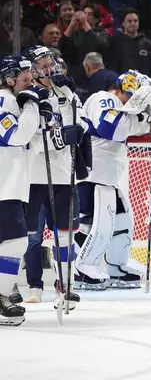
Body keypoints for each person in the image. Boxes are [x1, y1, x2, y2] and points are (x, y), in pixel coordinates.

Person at [74, 70, 151, 290]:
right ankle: (83, 268)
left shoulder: (119, 105)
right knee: (98, 225)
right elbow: (110, 128)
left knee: (122, 222)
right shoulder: (103, 98)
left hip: (109, 176)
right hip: (93, 176)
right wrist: (142, 121)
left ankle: (117, 267)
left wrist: (141, 120)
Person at [23, 45, 89, 312]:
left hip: (63, 175)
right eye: (42, 64)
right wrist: (60, 137)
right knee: (30, 236)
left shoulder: (65, 91)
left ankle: (66, 284)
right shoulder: (28, 97)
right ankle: (32, 286)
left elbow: (81, 124)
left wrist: (69, 97)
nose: (49, 69)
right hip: (32, 176)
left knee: (65, 235)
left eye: (50, 63)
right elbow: (30, 137)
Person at [0, 56, 45, 326]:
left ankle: (3, 294)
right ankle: (3, 296)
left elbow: (28, 146)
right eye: (24, 77)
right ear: (9, 78)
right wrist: (32, 107)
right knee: (16, 242)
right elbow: (15, 136)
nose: (30, 81)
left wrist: (44, 120)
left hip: (11, 186)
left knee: (14, 243)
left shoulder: (13, 101)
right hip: (4, 187)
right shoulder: (4, 100)